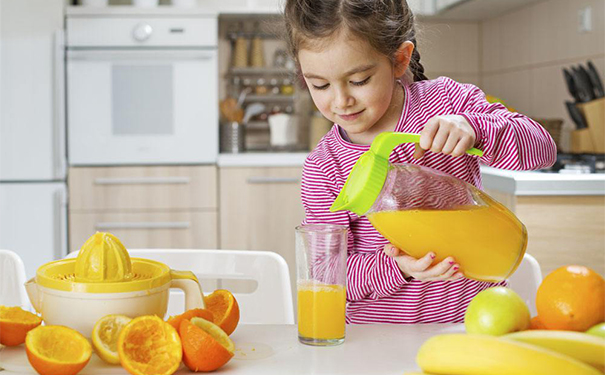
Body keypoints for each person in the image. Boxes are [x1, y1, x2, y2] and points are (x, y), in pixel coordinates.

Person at [285, 0, 557, 324]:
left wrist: (477, 128)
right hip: (377, 340)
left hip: (471, 325)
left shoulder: (447, 102)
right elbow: (328, 273)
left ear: (399, 59)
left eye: (359, 81)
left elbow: (543, 149)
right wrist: (395, 266)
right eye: (320, 85)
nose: (340, 101)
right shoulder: (325, 167)